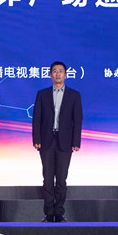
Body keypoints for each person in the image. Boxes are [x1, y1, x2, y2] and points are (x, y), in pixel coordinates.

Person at [32, 61, 83, 222]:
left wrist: (76, 141)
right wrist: (36, 139)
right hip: (46, 141)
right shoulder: (42, 94)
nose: (57, 74)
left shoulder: (74, 95)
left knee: (61, 179)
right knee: (47, 179)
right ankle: (49, 213)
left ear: (65, 75)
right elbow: (36, 118)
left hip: (65, 142)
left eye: (60, 71)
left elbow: (78, 120)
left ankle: (59, 212)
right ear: (50, 75)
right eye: (54, 71)